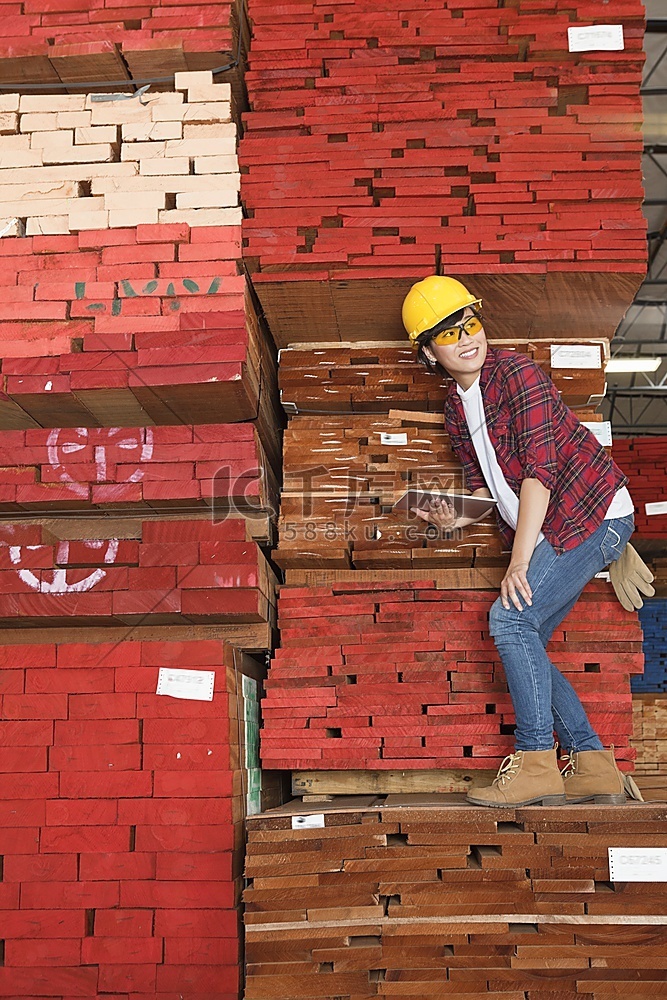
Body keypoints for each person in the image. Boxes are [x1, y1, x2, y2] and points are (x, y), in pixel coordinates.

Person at [401, 275, 654, 808]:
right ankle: (593, 765)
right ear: (428, 352)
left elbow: (540, 473)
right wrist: (453, 518)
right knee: (526, 638)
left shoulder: (517, 375)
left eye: (471, 323)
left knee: (510, 619)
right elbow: (487, 489)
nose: (467, 338)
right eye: (449, 334)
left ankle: (537, 760)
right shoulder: (455, 410)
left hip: (591, 515)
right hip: (553, 524)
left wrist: (519, 563)